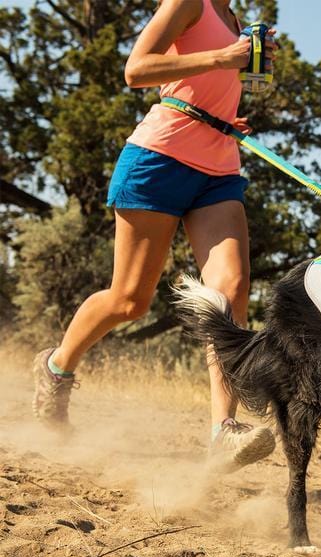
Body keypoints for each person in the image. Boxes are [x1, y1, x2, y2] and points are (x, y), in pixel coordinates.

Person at [32, 0, 276, 473]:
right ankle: (57, 367)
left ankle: (223, 430)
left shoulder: (236, 22)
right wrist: (222, 58)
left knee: (230, 292)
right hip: (159, 160)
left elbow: (201, 88)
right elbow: (137, 70)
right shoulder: (188, 3)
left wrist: (223, 113)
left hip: (218, 166)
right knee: (129, 301)